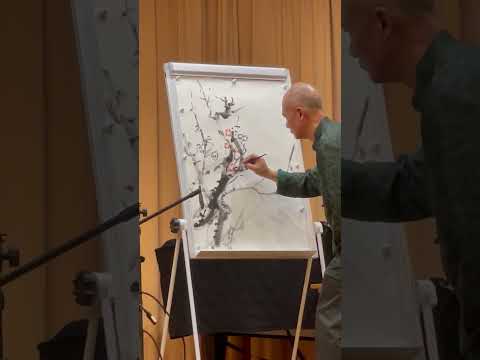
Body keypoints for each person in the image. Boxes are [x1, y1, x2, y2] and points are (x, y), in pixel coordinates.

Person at [343, 0, 480, 358]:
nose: (353, 48)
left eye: (351, 33)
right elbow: (411, 185)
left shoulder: (454, 95)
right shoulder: (457, 79)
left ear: (383, 24)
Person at [244, 82, 341, 360]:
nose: (286, 125)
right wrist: (269, 173)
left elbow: (343, 203)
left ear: (300, 114)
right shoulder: (330, 138)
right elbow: (313, 182)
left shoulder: (330, 145)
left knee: (331, 319)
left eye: (286, 117)